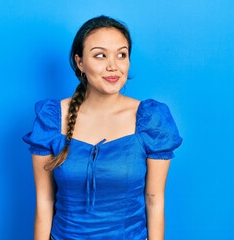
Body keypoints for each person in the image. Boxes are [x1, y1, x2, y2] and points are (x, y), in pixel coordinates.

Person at [22, 15, 183, 240]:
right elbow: (44, 200)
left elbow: (154, 200)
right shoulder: (51, 119)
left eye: (121, 55)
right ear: (80, 62)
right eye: (100, 55)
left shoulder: (150, 120)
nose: (113, 66)